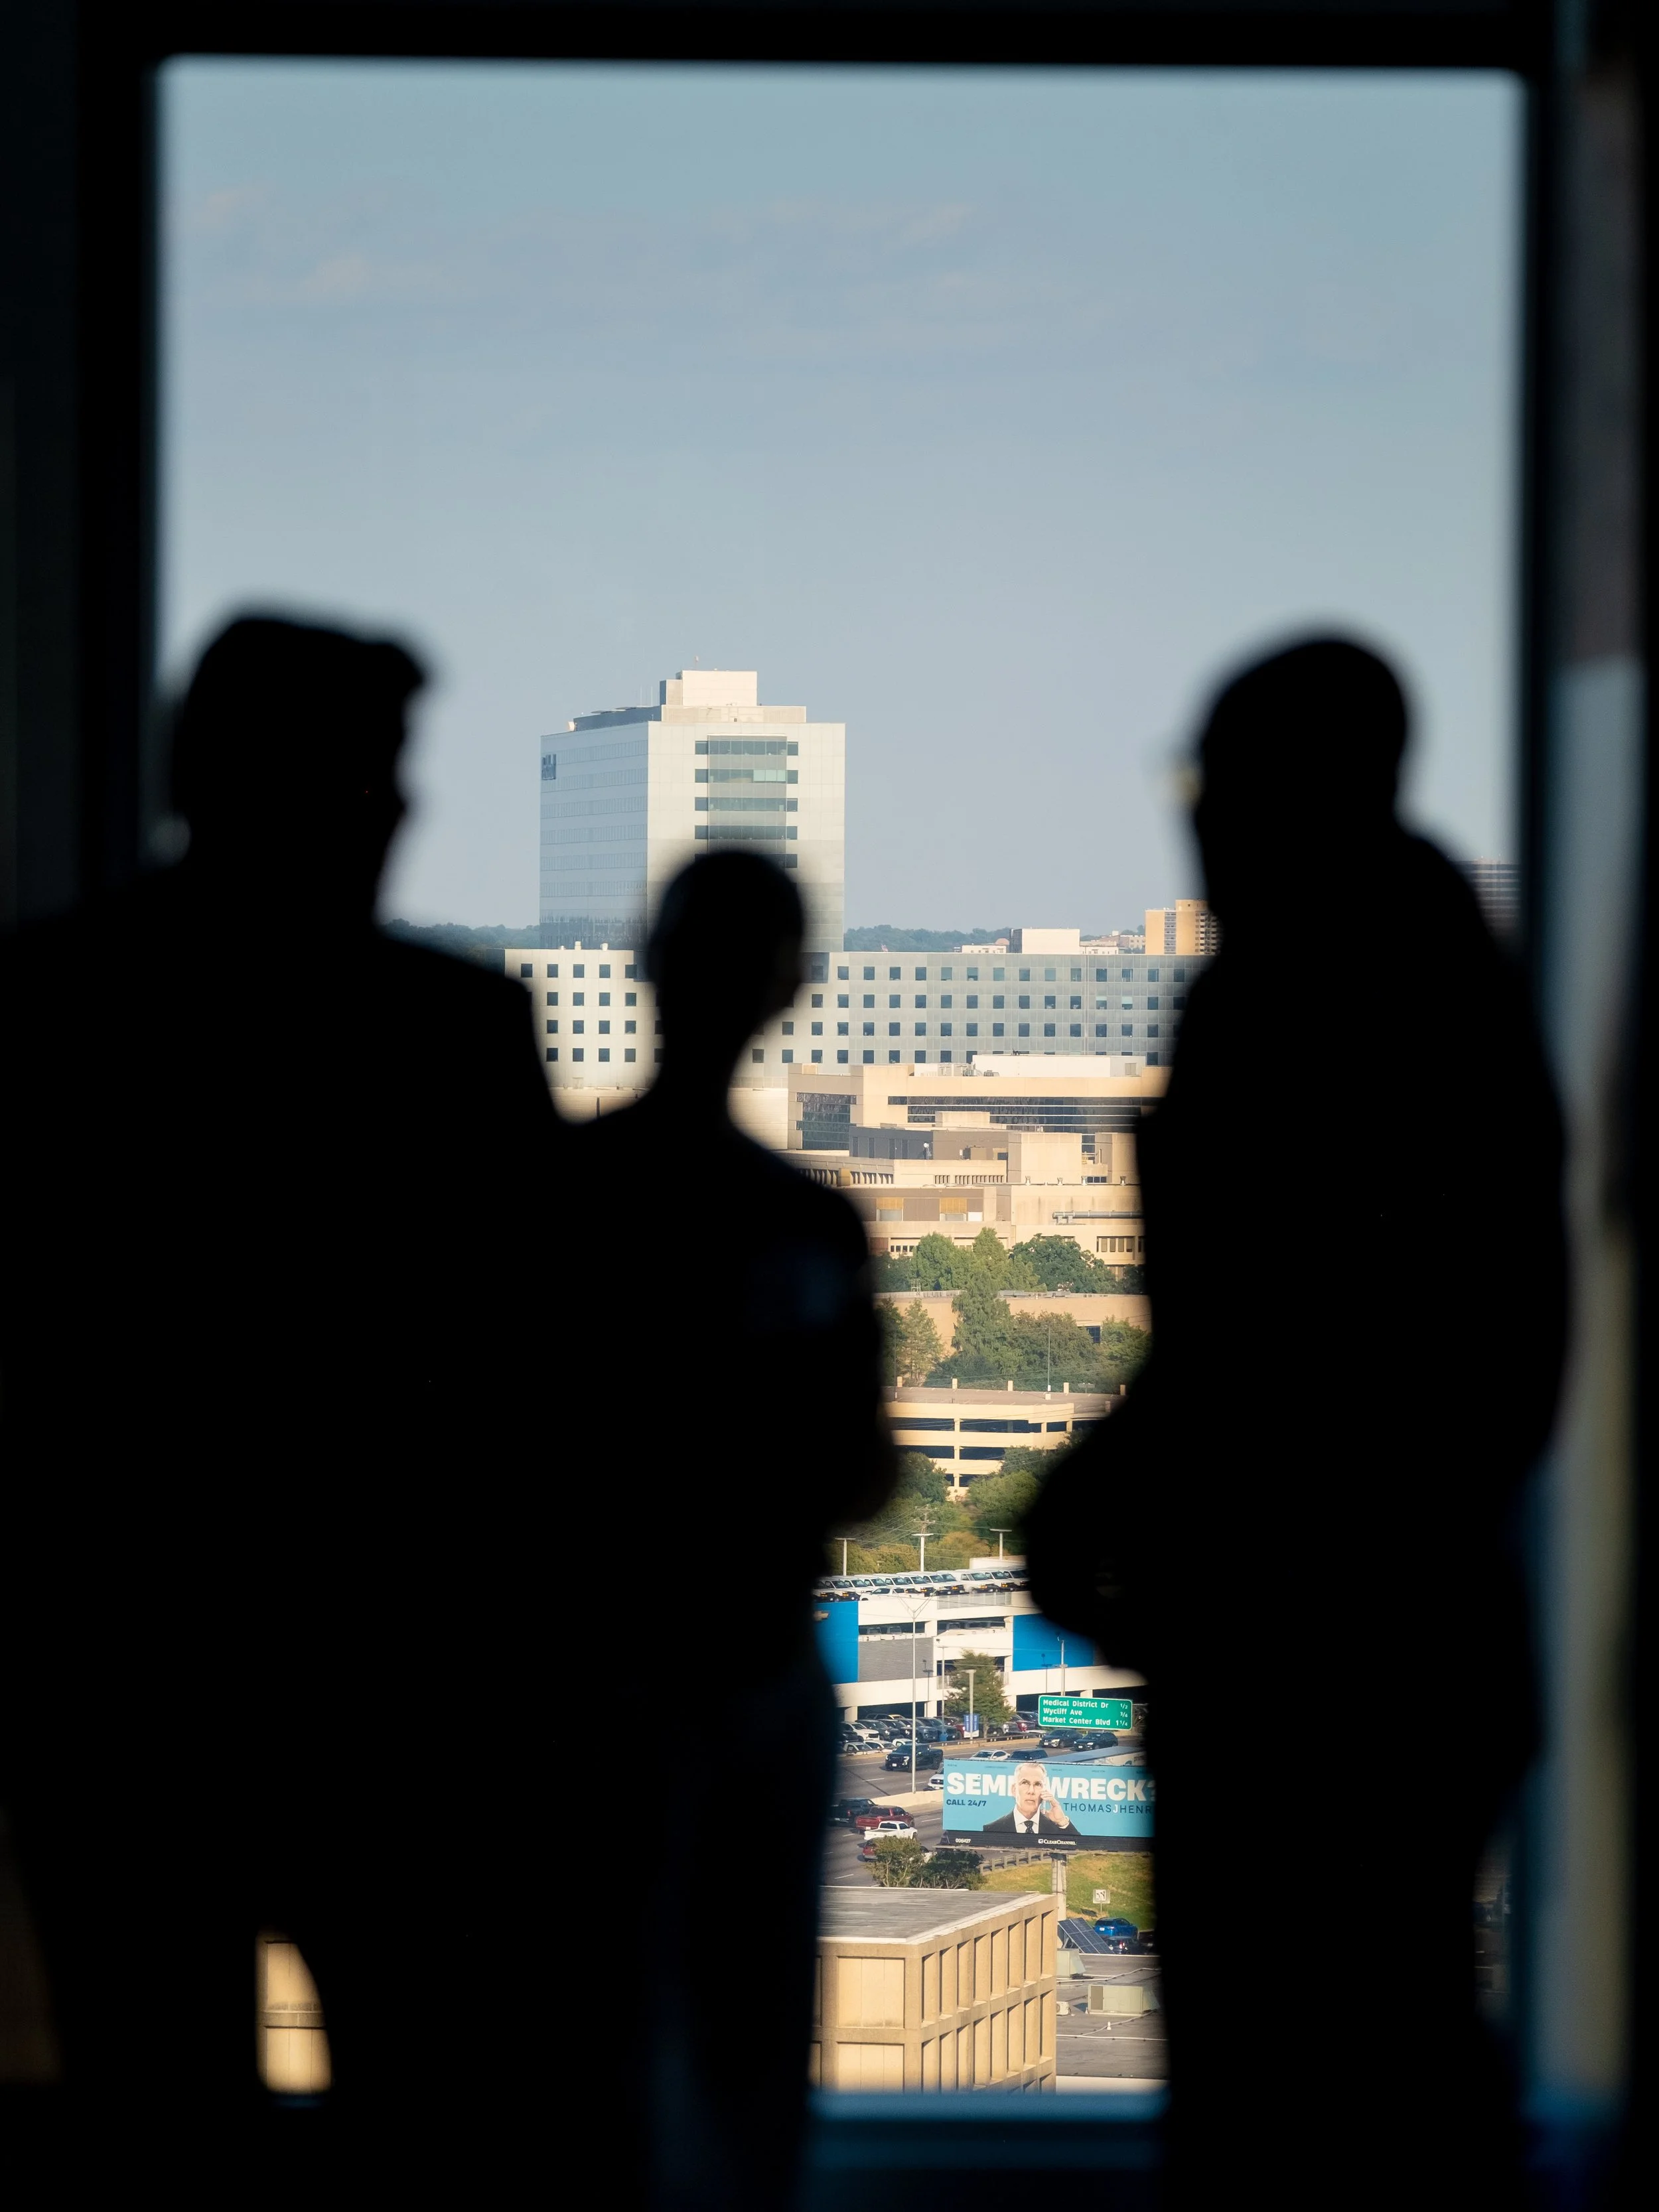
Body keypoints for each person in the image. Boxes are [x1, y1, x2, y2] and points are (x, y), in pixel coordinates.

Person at [0, 615, 558, 2198]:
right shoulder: (455, 1035)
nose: (401, 810)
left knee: (156, 2112)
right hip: (393, 1690)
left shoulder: (45, 1009)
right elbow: (534, 1395)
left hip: (119, 1681)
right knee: (438, 2114)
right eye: (372, 775)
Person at [1027, 637, 1565, 2208]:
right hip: (1376, 1640)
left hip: (1315, 1654)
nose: (1191, 816)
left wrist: (1110, 1503)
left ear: (1303, 793)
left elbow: (1273, 1340)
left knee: (1295, 2082)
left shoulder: (1314, 998)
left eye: (1217, 781)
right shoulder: (1427, 984)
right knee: (1370, 2053)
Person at [565, 851, 893, 2212]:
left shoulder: (557, 1200)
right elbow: (864, 1474)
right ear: (792, 988)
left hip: (592, 1667)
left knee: (592, 2028)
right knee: (751, 2035)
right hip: (750, 1654)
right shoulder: (807, 1224)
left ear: (646, 962)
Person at [979, 1763, 1075, 1842]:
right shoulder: (992, 1829)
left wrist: (1062, 1822)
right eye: (1025, 1783)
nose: (1031, 1791)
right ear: (1014, 1790)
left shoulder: (1057, 1828)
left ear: (1045, 1791)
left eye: (1037, 1784)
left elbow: (1079, 1850)